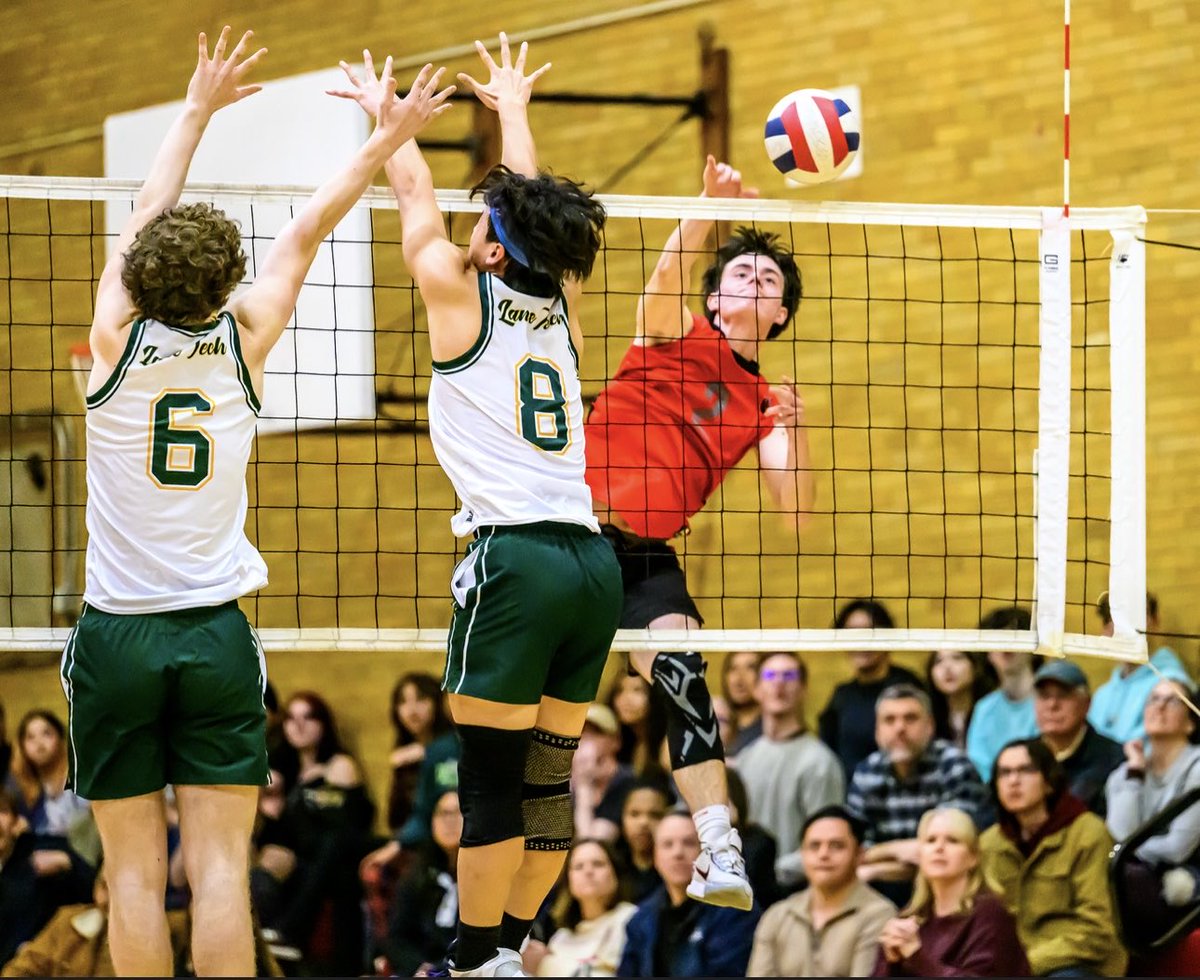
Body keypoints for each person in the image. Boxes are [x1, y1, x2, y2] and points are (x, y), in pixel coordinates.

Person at [65, 29, 452, 975]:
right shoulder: (248, 337)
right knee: (223, 874)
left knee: (131, 879)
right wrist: (381, 132)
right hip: (214, 636)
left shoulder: (112, 339)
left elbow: (146, 209)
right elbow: (310, 224)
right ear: (225, 282)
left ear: (143, 276)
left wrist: (194, 109)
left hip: (118, 636)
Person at [331, 34, 623, 976]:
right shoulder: (562, 308)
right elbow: (534, 221)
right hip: (591, 565)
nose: (469, 224)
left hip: (516, 563)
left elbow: (414, 197)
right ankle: (511, 950)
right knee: (546, 780)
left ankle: (470, 959)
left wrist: (393, 120)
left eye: (482, 220)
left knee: (489, 782)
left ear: (492, 246)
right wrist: (514, 116)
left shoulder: (458, 293)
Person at [584, 152, 815, 911]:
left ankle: (719, 847)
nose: (755, 281)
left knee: (686, 681)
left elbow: (798, 513)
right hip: (568, 540)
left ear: (779, 316)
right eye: (740, 273)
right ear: (714, 297)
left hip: (647, 559)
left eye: (770, 280)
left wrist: (796, 431)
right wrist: (706, 205)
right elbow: (667, 270)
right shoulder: (667, 333)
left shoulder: (763, 402)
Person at [979, 738, 1126, 977]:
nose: (1013, 781)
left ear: (1049, 782)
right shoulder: (990, 843)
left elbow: (1097, 931)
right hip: (1013, 967)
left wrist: (1024, 965)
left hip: (1078, 963)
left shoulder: (1089, 833)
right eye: (1004, 773)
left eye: (1025, 770)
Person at [253, 692, 375, 974]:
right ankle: (268, 951)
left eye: (308, 717)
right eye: (292, 718)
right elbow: (281, 836)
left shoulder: (339, 765)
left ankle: (290, 931)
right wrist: (272, 809)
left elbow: (346, 825)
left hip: (347, 849)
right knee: (261, 877)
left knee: (331, 847)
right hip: (309, 858)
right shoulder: (284, 772)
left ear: (323, 724)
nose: (299, 726)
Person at [847, 684, 990, 905]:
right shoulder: (867, 773)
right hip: (880, 897)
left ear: (930, 726)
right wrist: (905, 850)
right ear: (877, 731)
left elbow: (948, 855)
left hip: (950, 893)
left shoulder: (953, 766)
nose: (900, 728)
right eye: (889, 720)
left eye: (910, 718)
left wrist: (877, 864)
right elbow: (855, 855)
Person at [871, 807, 1028, 977]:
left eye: (952, 840)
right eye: (931, 840)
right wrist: (891, 962)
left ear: (973, 857)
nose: (939, 848)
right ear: (920, 855)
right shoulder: (910, 918)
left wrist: (916, 956)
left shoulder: (991, 914)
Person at [730, 652, 844, 887]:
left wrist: (769, 871)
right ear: (757, 690)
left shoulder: (820, 762)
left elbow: (829, 839)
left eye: (789, 676)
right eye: (770, 675)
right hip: (746, 888)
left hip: (796, 889)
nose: (779, 683)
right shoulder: (746, 758)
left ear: (803, 689)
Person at [747, 805, 896, 977]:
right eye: (814, 846)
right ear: (802, 854)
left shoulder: (879, 915)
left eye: (837, 846)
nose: (823, 854)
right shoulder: (777, 915)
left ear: (859, 854)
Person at [1105, 677, 1200, 939]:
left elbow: (1177, 849)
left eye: (1172, 701)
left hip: (1188, 879)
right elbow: (1119, 835)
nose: (1160, 706)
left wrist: (1129, 851)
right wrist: (1135, 773)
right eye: (1154, 699)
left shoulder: (1198, 769)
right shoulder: (1124, 773)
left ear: (1190, 722)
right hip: (1137, 875)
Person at [617, 812, 760, 977]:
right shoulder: (642, 918)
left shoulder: (734, 909)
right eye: (667, 844)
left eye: (689, 843)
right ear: (655, 857)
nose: (678, 853)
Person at [819, 599, 922, 778]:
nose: (861, 642)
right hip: (853, 796)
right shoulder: (842, 695)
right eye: (851, 633)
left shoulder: (909, 687)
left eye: (869, 631)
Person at [0, 787, 94, 970]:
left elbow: (94, 890)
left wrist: (69, 864)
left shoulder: (44, 850)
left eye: (2, 811)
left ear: (16, 822)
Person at [377, 790, 464, 978]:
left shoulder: (486, 877)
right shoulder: (416, 874)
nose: (450, 821)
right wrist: (419, 968)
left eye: (458, 812)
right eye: (443, 813)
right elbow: (396, 937)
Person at [523, 838, 637, 977]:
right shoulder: (561, 937)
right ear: (569, 881)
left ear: (615, 873)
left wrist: (545, 964)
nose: (588, 871)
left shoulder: (631, 919)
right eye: (578, 866)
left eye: (598, 864)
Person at [1089, 591, 1192, 744]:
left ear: (1155, 621)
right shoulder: (1101, 696)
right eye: (1113, 619)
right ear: (1105, 629)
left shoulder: (1172, 685)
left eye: (1133, 617)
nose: (1122, 629)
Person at [1032, 661, 1123, 815]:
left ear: (1087, 704)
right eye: (1044, 696)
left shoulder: (1114, 758)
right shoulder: (1023, 756)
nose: (1052, 705)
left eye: (1063, 695)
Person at [965, 606, 1040, 781]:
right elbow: (979, 768)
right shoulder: (984, 710)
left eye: (1014, 636)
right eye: (997, 638)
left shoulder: (1051, 702)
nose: (1006, 645)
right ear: (987, 653)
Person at [387, 672, 455, 833]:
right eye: (403, 702)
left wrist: (427, 753)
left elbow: (447, 794)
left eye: (421, 699)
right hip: (410, 836)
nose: (412, 711)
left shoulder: (452, 747)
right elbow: (395, 818)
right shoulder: (402, 754)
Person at [925, 649, 996, 750]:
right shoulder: (928, 716)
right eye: (938, 661)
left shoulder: (992, 710)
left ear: (975, 667)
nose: (947, 667)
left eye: (957, 658)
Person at [613, 782, 670, 902]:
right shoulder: (611, 869)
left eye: (655, 815)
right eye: (635, 814)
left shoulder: (681, 867)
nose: (643, 822)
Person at [722, 651, 764, 754]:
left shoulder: (771, 733)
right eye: (733, 669)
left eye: (750, 668)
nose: (739, 679)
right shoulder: (719, 727)